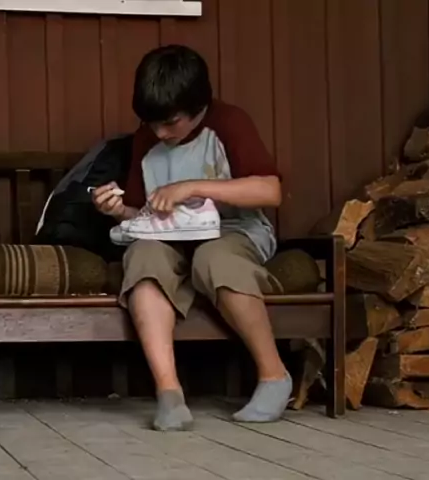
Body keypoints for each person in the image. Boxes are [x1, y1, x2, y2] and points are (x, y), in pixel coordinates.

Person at [91, 44, 291, 430]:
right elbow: (142, 212)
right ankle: (169, 394)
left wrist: (192, 186)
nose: (160, 133)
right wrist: (116, 210)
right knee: (142, 258)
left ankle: (273, 376)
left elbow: (270, 191)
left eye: (171, 123)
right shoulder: (147, 138)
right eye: (152, 123)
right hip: (169, 236)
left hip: (233, 232)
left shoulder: (229, 122)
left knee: (213, 259)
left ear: (199, 106)